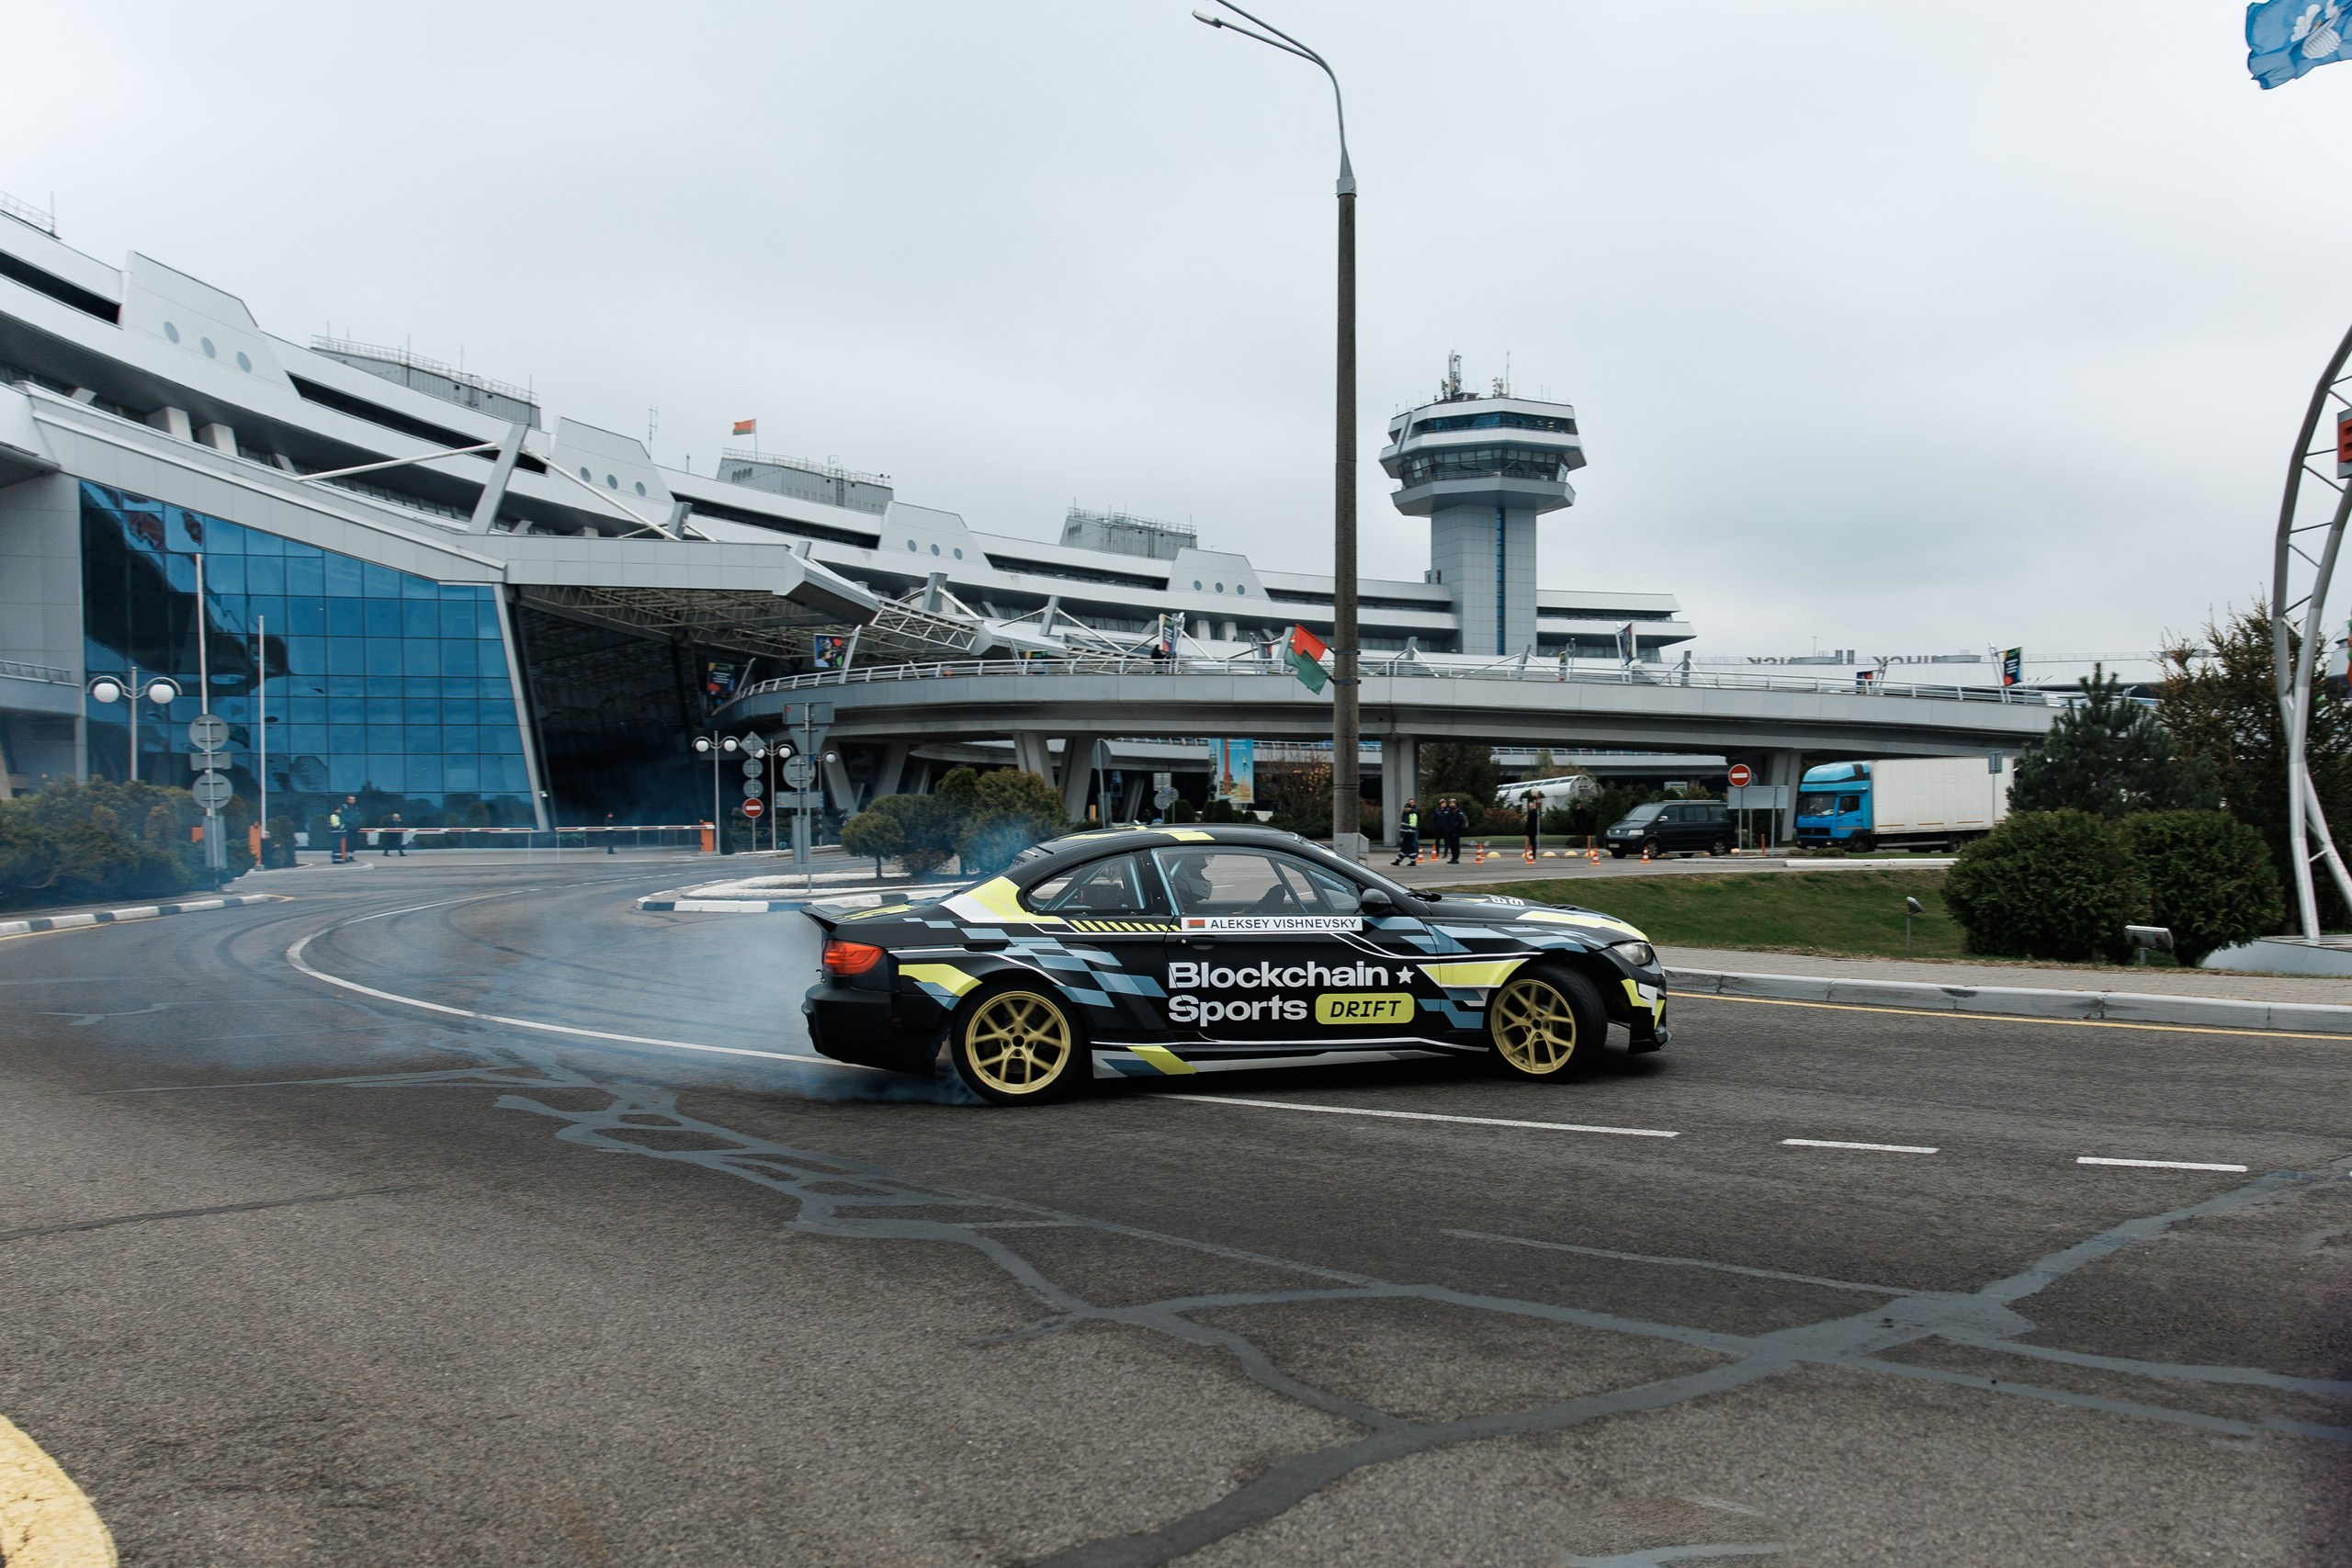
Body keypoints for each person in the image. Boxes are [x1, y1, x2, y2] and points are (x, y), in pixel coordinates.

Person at [1392, 796, 1421, 866]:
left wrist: (1408, 833)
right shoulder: (1405, 813)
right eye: (1406, 808)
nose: (1406, 809)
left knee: (1410, 847)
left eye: (1408, 808)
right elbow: (1403, 823)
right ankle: (1398, 860)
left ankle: (1413, 861)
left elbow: (1413, 824)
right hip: (1406, 833)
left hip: (1409, 833)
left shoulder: (1413, 814)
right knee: (1404, 848)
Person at [1439, 798, 1465, 864]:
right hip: (1449, 831)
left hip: (1455, 831)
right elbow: (1445, 819)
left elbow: (1461, 820)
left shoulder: (1458, 811)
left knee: (1455, 845)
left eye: (1453, 803)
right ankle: (1453, 857)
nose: (1452, 804)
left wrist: (1455, 827)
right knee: (1451, 845)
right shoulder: (1449, 811)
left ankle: (1456, 858)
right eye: (1451, 803)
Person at [1522, 793, 1543, 859]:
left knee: (1533, 843)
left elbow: (1532, 823)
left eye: (1531, 806)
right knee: (1531, 843)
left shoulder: (1534, 813)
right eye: (1530, 806)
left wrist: (1529, 830)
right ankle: (1532, 855)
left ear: (1533, 806)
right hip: (1530, 831)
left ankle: (1533, 855)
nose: (1530, 807)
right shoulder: (1531, 812)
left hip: (1532, 831)